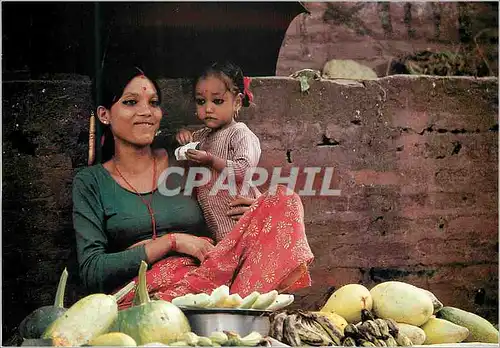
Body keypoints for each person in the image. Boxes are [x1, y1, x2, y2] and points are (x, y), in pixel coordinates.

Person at [72, 63, 314, 310]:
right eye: (131, 102)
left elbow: (229, 191)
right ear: (104, 115)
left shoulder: (186, 160)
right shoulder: (91, 182)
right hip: (153, 292)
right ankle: (228, 311)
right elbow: (92, 270)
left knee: (284, 200)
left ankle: (233, 306)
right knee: (172, 300)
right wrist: (171, 242)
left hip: (213, 276)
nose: (146, 112)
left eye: (153, 103)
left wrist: (257, 213)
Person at [175, 61, 261, 243]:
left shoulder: (240, 133)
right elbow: (190, 144)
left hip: (242, 224)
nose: (208, 108)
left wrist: (211, 160)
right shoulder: (203, 135)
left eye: (217, 101)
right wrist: (184, 137)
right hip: (218, 229)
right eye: (201, 101)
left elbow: (244, 170)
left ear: (236, 102)